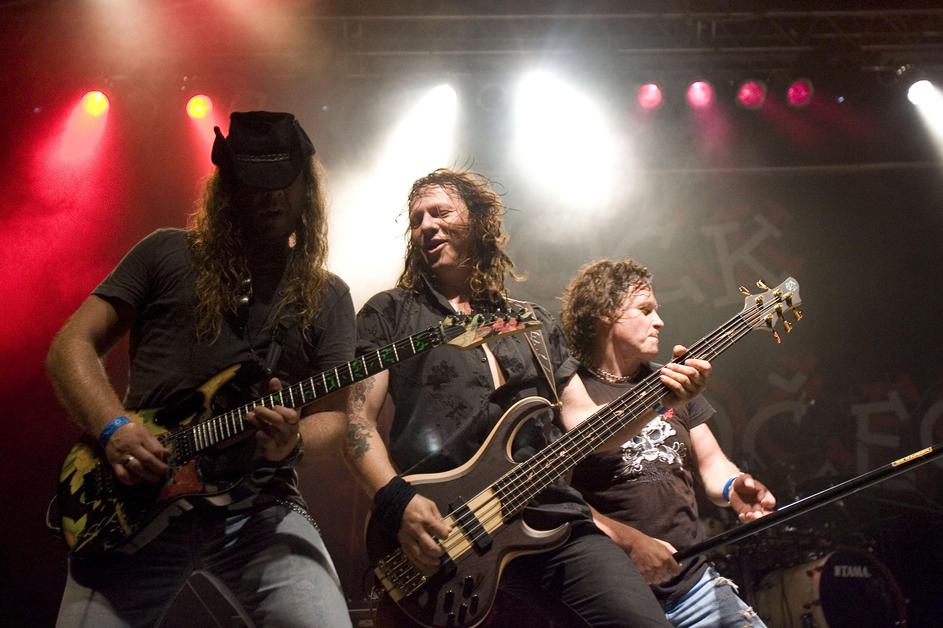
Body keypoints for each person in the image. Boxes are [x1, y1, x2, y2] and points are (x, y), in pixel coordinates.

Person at [342, 169, 712, 627]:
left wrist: (660, 398)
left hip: (550, 515)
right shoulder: (390, 313)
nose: (426, 226)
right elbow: (357, 425)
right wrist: (397, 501)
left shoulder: (531, 322)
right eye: (417, 219)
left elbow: (586, 426)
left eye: (440, 213)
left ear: (479, 221)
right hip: (450, 529)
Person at [47, 111, 355, 627]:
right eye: (256, 182)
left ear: (307, 188)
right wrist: (113, 428)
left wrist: (293, 442)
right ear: (228, 187)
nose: (272, 195)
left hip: (259, 509)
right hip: (135, 499)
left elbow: (337, 417)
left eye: (284, 181)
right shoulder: (165, 252)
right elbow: (70, 346)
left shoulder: (328, 295)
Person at [560, 258, 776, 627]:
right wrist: (630, 542)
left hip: (694, 584)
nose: (659, 321)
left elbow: (711, 462)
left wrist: (733, 486)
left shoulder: (672, 381)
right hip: (614, 595)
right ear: (603, 313)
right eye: (645, 310)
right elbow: (558, 499)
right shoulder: (569, 391)